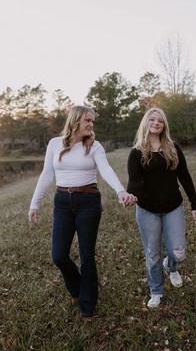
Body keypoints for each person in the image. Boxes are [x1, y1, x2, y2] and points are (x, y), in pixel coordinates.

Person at [28, 105, 136, 317]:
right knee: (59, 255)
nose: (91, 124)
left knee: (87, 255)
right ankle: (77, 287)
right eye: (88, 120)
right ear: (76, 120)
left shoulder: (94, 146)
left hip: (88, 201)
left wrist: (120, 191)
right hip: (62, 202)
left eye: (92, 121)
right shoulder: (54, 144)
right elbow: (46, 174)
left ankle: (88, 304)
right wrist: (34, 203)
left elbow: (105, 170)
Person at [127, 108, 196, 308]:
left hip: (172, 207)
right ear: (146, 122)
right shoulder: (137, 152)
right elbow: (134, 182)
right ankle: (156, 290)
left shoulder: (173, 147)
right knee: (153, 254)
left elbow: (184, 176)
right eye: (152, 119)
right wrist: (130, 195)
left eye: (160, 120)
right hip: (147, 209)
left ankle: (171, 266)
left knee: (178, 252)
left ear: (164, 125)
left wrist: (195, 204)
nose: (156, 123)